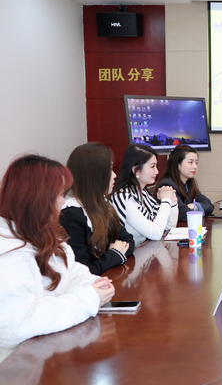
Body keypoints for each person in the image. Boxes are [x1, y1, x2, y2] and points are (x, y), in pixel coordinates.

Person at [0, 155, 114, 349]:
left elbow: (72, 271)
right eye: (61, 194)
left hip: (53, 349)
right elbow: (17, 325)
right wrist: (88, 298)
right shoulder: (8, 253)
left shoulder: (44, 234)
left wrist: (94, 285)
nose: (64, 201)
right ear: (39, 199)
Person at [60, 143, 135, 275]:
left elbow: (128, 241)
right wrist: (114, 254)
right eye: (109, 169)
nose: (114, 175)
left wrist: (110, 256)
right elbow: (83, 271)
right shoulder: (71, 213)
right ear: (94, 174)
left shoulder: (101, 203)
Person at [110, 144, 178, 246]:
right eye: (152, 166)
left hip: (145, 250)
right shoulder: (123, 197)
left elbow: (169, 227)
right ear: (135, 170)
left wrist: (172, 202)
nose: (157, 171)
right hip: (131, 254)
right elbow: (155, 234)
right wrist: (166, 201)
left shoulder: (143, 193)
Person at [155, 144, 214, 221]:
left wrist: (194, 206)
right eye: (190, 162)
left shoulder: (189, 183)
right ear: (178, 165)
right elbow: (182, 214)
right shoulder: (167, 185)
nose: (195, 166)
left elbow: (209, 205)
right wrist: (194, 208)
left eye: (196, 163)